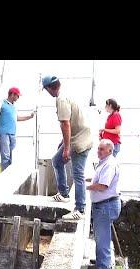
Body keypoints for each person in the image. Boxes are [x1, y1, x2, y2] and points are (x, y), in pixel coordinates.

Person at [41, 75, 93, 220]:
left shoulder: (61, 99)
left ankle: (80, 209)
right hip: (78, 136)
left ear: (50, 88)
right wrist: (64, 142)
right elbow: (69, 122)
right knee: (56, 161)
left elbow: (66, 124)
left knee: (78, 174)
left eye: (46, 89)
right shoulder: (64, 95)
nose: (47, 92)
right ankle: (64, 193)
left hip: (80, 141)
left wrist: (66, 147)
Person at [86, 139, 121, 269]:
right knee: (101, 235)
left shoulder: (109, 164)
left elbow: (103, 185)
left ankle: (103, 264)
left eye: (101, 149)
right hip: (105, 205)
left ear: (110, 151)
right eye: (98, 148)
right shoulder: (105, 163)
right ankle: (102, 258)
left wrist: (87, 187)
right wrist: (87, 180)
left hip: (105, 205)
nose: (98, 151)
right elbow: (99, 179)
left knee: (102, 236)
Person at [0, 87, 35, 172]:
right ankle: (5, 177)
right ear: (12, 94)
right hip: (4, 133)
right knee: (5, 157)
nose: (18, 98)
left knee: (11, 157)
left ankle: (10, 175)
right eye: (17, 96)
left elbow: (16, 118)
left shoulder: (13, 107)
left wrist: (29, 116)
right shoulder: (2, 104)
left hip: (12, 134)